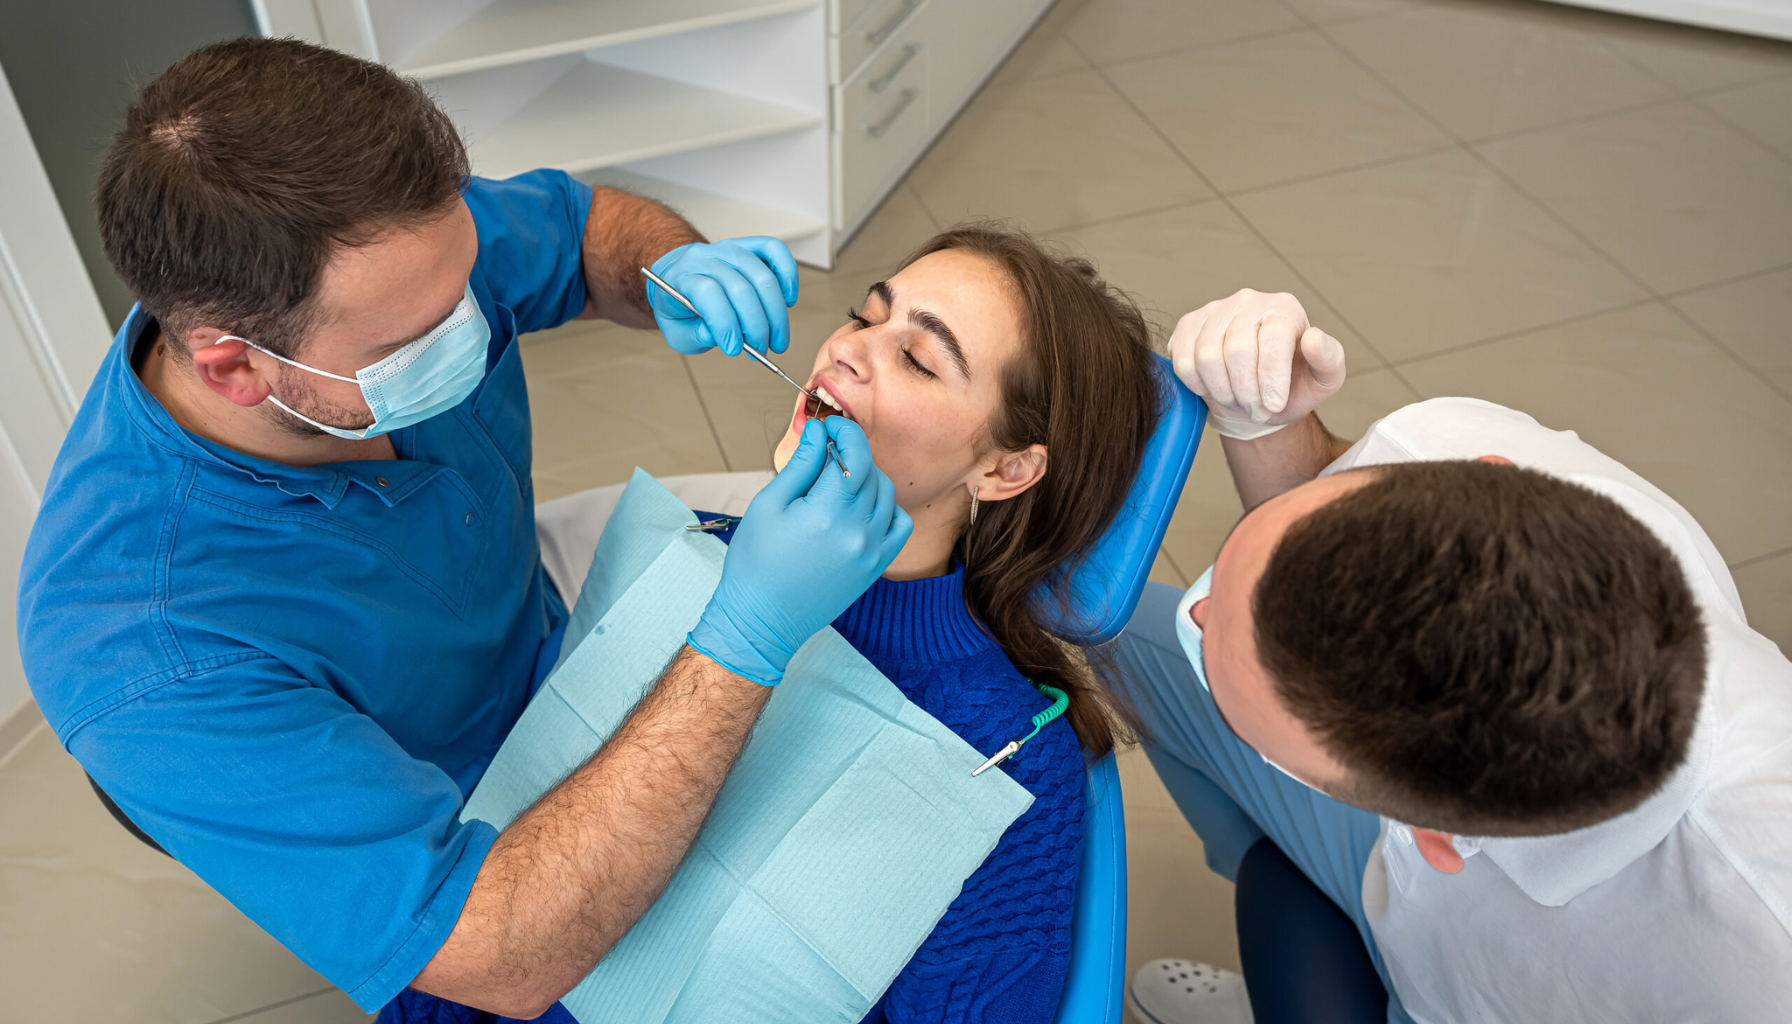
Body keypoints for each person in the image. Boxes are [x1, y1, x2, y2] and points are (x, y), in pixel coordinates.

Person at [15, 37, 911, 1020]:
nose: (472, 327)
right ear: (235, 368)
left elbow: (585, 231)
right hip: (468, 822)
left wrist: (669, 266)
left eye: (466, 283)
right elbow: (498, 954)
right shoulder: (147, 647)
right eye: (414, 344)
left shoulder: (392, 248)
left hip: (526, 615)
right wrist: (743, 645)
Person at [405, 225, 1162, 1024]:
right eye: (867, 317)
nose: (846, 351)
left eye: (917, 358)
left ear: (1005, 469)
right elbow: (496, 868)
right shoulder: (684, 555)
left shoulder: (1009, 761)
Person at [1114, 290, 1792, 1024]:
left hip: (1468, 995)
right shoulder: (1476, 457)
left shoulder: (1756, 960)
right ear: (1492, 469)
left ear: (1432, 838)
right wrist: (1266, 420)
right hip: (1410, 882)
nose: (1198, 609)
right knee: (1124, 639)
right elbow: (1324, 479)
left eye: (1223, 651)